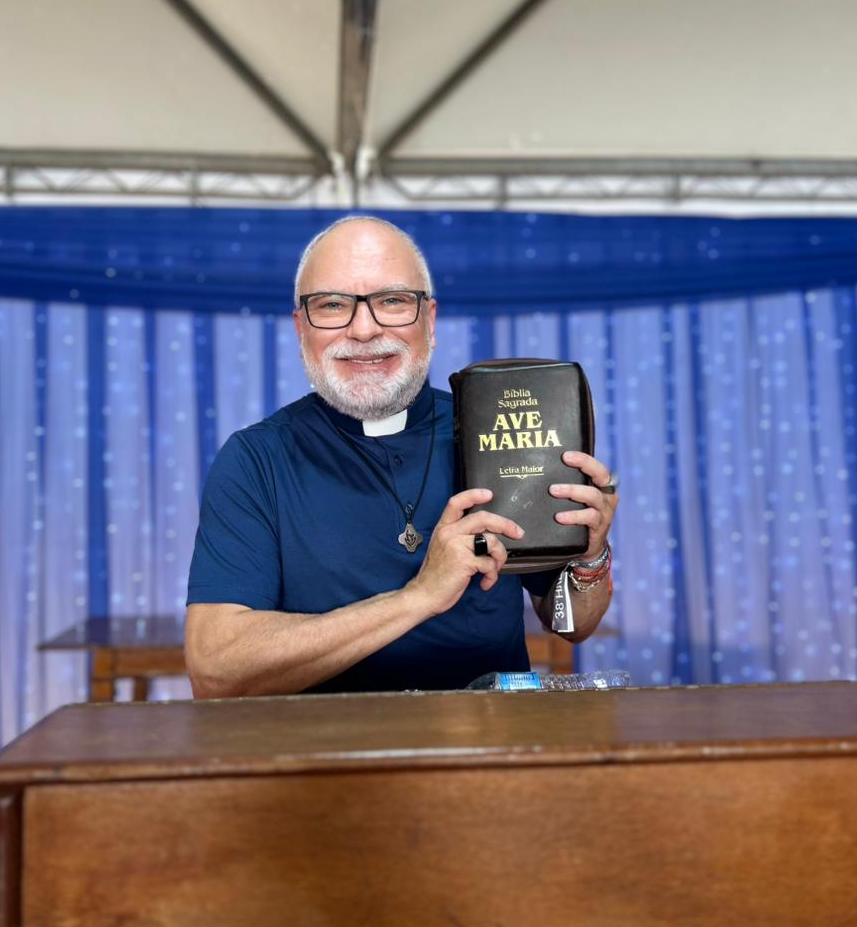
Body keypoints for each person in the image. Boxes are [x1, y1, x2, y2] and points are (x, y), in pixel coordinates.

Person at [185, 215, 617, 697]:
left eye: (392, 301)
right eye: (332, 305)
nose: (364, 329)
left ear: (429, 320)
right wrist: (419, 597)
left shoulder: (499, 430)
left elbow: (570, 624)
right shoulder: (255, 460)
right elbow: (217, 669)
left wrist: (590, 553)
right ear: (300, 327)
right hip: (317, 760)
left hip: (486, 756)